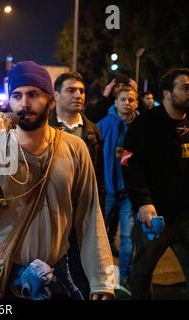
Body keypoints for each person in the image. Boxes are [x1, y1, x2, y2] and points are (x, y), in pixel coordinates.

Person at [0, 61, 114, 300]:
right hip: (2, 276)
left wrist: (102, 280)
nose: (24, 103)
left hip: (55, 276)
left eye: (33, 94)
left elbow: (89, 216)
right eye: (17, 95)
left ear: (50, 101)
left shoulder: (75, 147)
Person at [122, 68, 189, 299]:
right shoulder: (145, 125)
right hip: (155, 217)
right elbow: (130, 165)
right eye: (185, 87)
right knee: (141, 273)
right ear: (167, 93)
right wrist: (143, 202)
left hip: (186, 216)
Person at [49, 71, 105, 298]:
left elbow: (98, 176)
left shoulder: (92, 131)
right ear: (56, 95)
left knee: (81, 273)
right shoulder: (45, 128)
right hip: (52, 214)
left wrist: (100, 210)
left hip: (82, 212)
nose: (78, 95)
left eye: (81, 91)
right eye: (71, 90)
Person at [97, 85, 139, 297]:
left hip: (130, 194)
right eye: (123, 99)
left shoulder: (142, 126)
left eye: (131, 100)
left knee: (127, 237)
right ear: (116, 102)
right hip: (107, 190)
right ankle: (99, 275)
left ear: (136, 103)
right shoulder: (104, 125)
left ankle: (123, 279)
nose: (127, 103)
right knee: (99, 234)